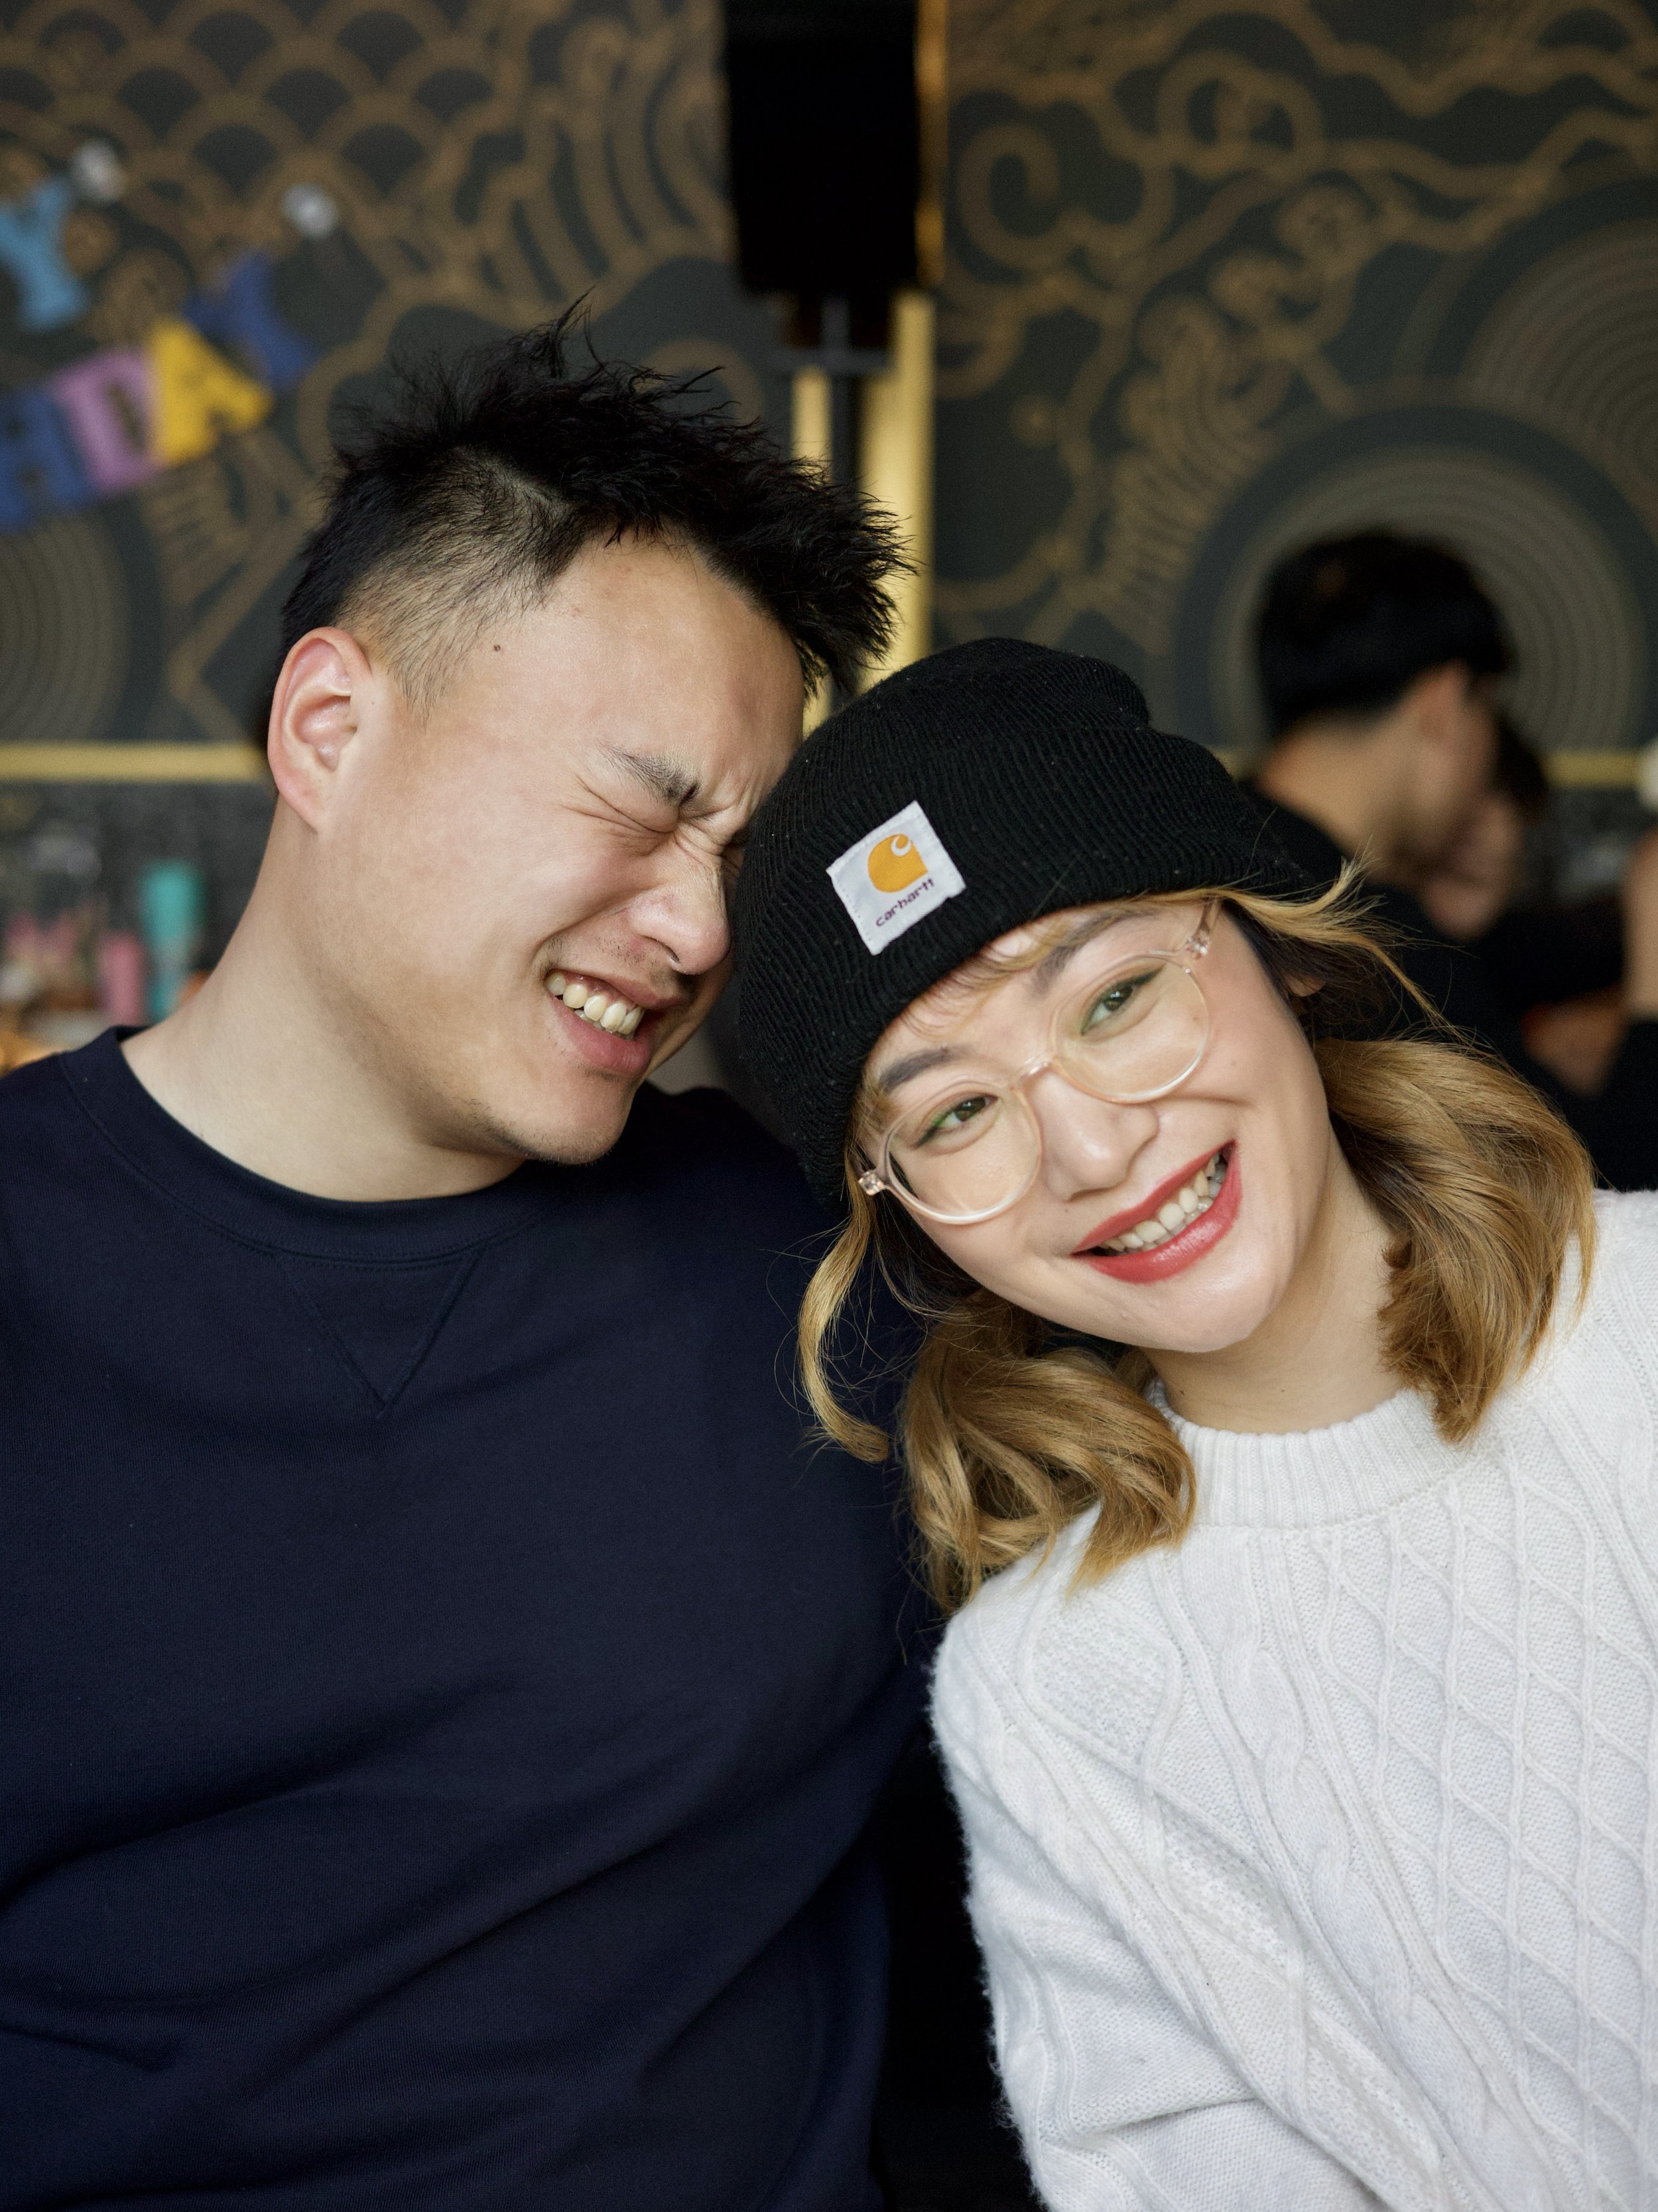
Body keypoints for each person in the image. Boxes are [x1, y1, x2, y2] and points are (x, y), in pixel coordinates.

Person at [0, 322, 923, 2209]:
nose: (690, 927)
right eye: (646, 802)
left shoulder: (821, 1265)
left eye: (738, 853)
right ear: (329, 727)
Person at [733, 638, 1658, 2211]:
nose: (1089, 1147)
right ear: (902, 1220)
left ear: (1276, 946)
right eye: (952, 1112)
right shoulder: (1054, 1699)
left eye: (1118, 995)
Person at [1251, 530, 1658, 1187]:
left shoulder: (1242, 847)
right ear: (1444, 703)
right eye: (1488, 712)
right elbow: (1596, 1188)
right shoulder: (1359, 931)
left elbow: (1519, 962)